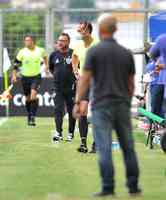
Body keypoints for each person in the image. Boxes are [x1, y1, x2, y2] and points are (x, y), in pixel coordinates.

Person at [73, 14, 141, 197]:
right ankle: (133, 187)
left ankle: (108, 187)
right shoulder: (126, 53)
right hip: (121, 104)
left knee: (103, 148)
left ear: (101, 30)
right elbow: (131, 84)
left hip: (101, 104)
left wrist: (77, 101)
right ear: (115, 30)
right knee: (128, 147)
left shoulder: (94, 52)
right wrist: (126, 101)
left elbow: (85, 79)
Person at [72, 21, 99, 153]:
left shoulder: (98, 44)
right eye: (78, 29)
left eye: (81, 29)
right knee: (82, 111)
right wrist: (75, 70)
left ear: (88, 30)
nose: (79, 32)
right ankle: (83, 144)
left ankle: (96, 144)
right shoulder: (78, 46)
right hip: (83, 82)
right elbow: (74, 57)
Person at [12, 35, 49, 126]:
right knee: (28, 98)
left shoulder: (40, 50)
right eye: (25, 41)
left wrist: (47, 66)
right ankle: (29, 116)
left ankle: (32, 117)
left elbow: (45, 57)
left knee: (33, 95)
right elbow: (16, 64)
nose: (26, 42)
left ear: (33, 41)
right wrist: (14, 75)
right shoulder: (22, 52)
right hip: (25, 78)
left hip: (36, 76)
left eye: (28, 40)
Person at [49, 33, 76, 142]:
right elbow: (51, 69)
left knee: (71, 111)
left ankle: (70, 133)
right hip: (57, 88)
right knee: (58, 109)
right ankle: (59, 132)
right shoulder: (53, 55)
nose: (60, 42)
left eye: (63, 40)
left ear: (68, 42)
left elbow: (78, 68)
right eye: (59, 40)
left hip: (71, 88)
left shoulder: (74, 53)